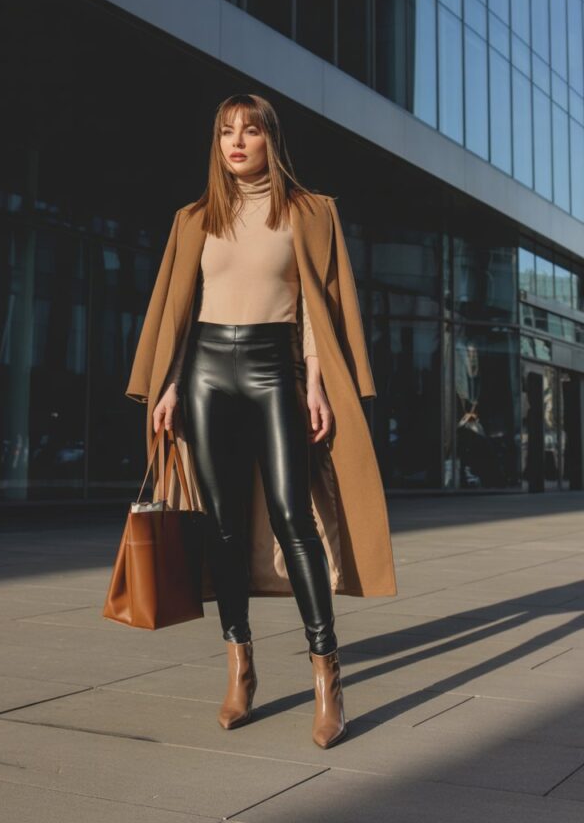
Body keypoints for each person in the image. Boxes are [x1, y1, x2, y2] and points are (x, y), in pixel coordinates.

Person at [135, 93, 393, 749]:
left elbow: (316, 302)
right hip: (207, 374)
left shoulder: (310, 212)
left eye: (249, 130)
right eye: (226, 132)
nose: (237, 141)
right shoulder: (192, 219)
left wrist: (316, 382)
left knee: (291, 516)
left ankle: (326, 675)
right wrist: (169, 384)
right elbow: (181, 313)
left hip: (275, 366)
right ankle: (240, 667)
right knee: (222, 530)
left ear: (269, 138)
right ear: (216, 144)